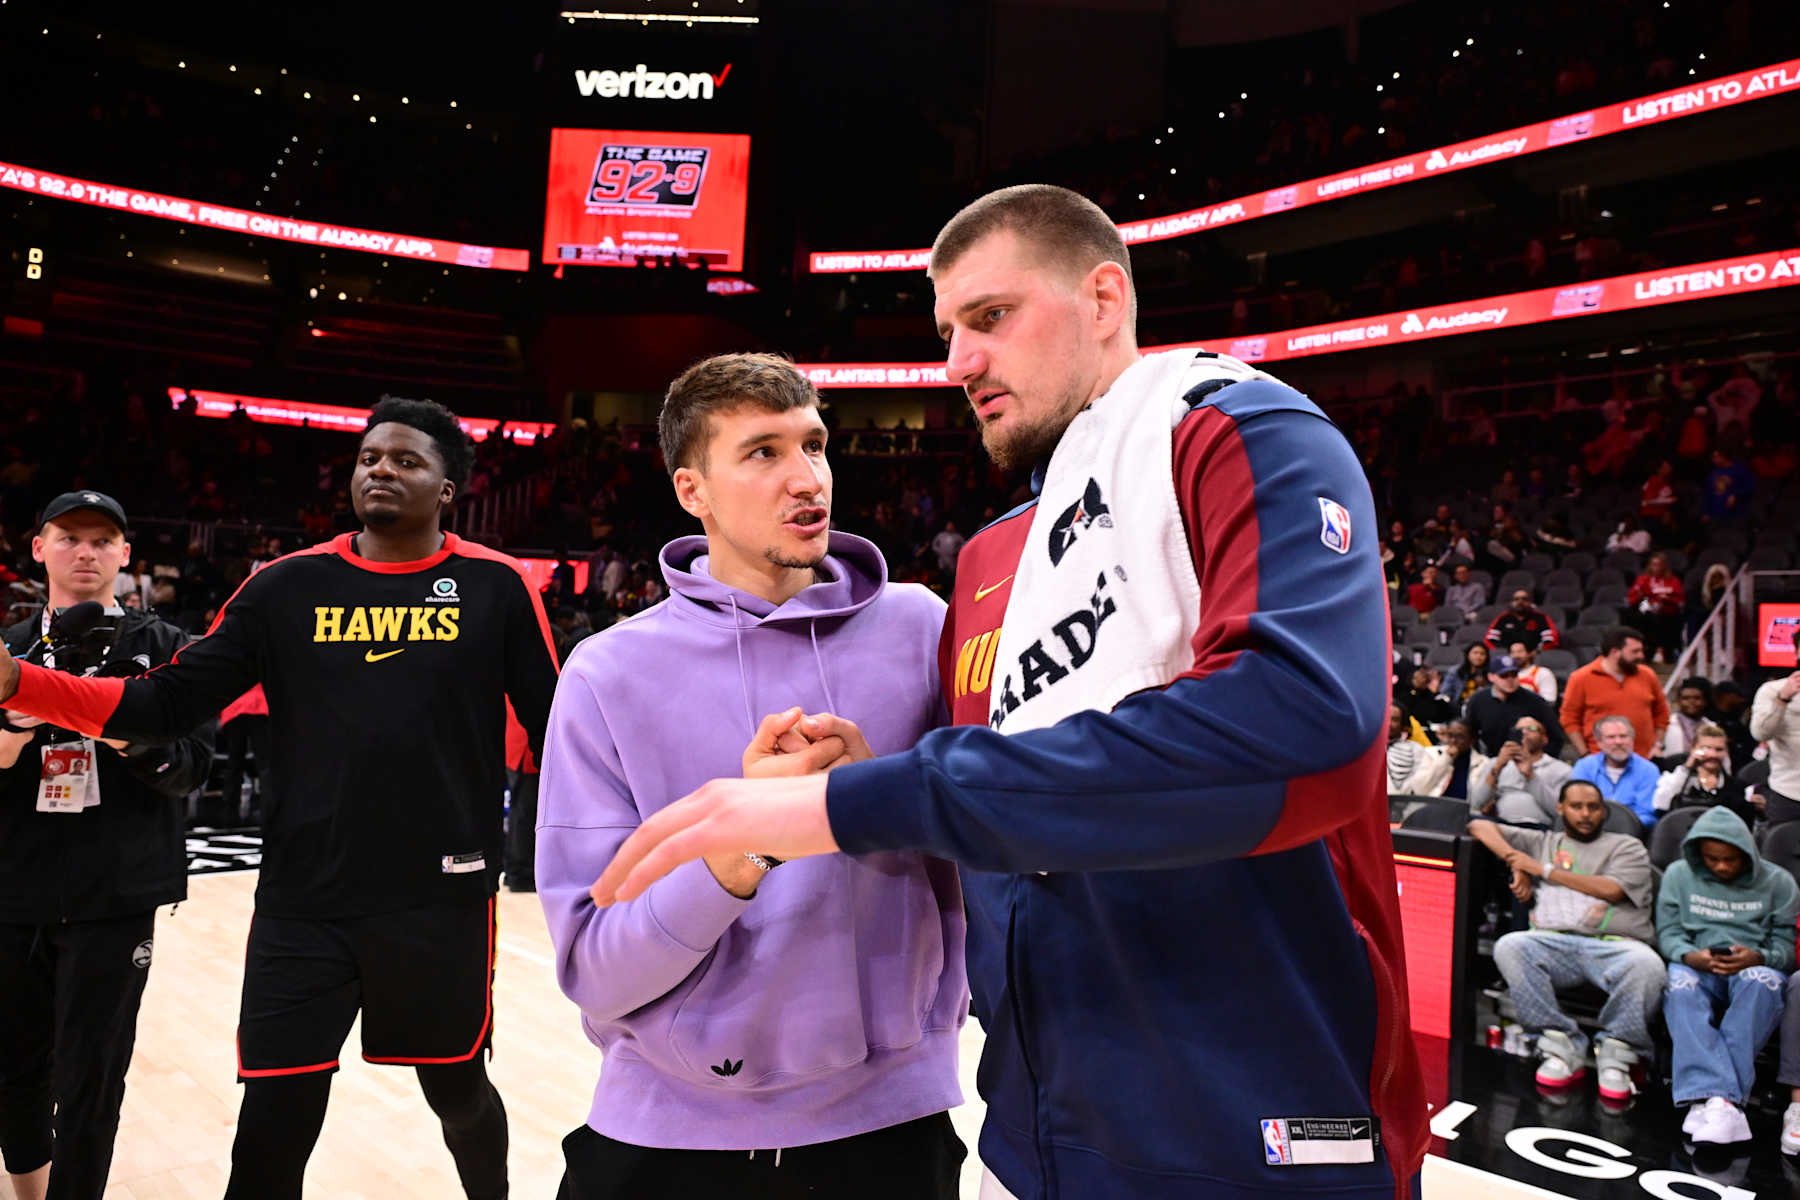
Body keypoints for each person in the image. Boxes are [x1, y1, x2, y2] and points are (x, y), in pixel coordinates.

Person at [589, 185, 1428, 1198]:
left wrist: (862, 802)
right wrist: (883, 792)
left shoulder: (1231, 429)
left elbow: (1306, 728)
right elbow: (1015, 813)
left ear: (1105, 299)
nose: (960, 363)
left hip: (1257, 1121)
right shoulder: (986, 563)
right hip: (1035, 1128)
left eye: (991, 318)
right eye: (949, 332)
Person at [0, 400, 561, 1200]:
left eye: (406, 461)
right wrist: (26, 683)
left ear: (449, 490)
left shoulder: (497, 585)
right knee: (271, 1122)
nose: (381, 470)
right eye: (370, 458)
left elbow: (559, 730)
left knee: (458, 1093)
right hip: (305, 900)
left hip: (439, 898)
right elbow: (164, 705)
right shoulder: (284, 587)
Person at [535, 354, 968, 1198]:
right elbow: (594, 970)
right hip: (662, 1142)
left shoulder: (924, 630)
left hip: (890, 1132)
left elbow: (996, 863)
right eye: (763, 452)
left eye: (815, 445)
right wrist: (738, 856)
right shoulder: (605, 674)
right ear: (692, 491)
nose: (807, 478)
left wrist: (883, 803)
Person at [0, 491, 216, 1200]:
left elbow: (190, 769)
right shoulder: (6, 648)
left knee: (92, 1077)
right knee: (14, 1065)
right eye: (68, 537)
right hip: (13, 884)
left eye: (102, 541)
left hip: (116, 891)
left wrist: (110, 719)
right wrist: (17, 724)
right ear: (39, 548)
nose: (85, 552)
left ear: (126, 555)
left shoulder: (172, 651)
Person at [1471, 780, 1660, 1100]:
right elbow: (1477, 824)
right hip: (1554, 943)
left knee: (1647, 966)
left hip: (1615, 946)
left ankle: (1618, 1051)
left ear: (1604, 811)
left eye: (1593, 807)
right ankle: (1561, 1043)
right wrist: (1516, 861)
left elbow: (1611, 890)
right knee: (1511, 946)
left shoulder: (1626, 846)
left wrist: (1541, 869)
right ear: (1560, 809)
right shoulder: (1544, 841)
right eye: (1576, 806)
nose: (1585, 814)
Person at [1657, 807, 1798, 1145]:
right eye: (1711, 859)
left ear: (1747, 854)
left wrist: (1759, 956)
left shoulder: (1779, 882)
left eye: (1730, 860)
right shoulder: (1678, 874)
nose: (1720, 866)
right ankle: (1725, 1104)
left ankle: (1709, 1100)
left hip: (1751, 965)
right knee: (1678, 986)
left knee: (1762, 983)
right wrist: (1690, 955)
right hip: (1696, 962)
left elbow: (1787, 949)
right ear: (1697, 853)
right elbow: (1669, 933)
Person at [1560, 626, 1669, 758]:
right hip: (1599, 759)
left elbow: (1662, 714)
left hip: (1645, 760)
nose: (1641, 656)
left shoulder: (1648, 674)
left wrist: (1657, 746)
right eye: (1635, 651)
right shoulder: (1581, 678)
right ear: (1615, 652)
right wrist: (1584, 754)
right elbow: (1569, 719)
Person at [1470, 716, 1572, 825]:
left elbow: (1559, 811)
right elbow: (1476, 804)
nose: (1524, 732)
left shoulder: (1561, 770)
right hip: (1500, 825)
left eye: (1532, 728)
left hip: (1539, 829)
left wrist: (1531, 776)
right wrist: (1497, 768)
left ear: (1544, 739)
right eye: (1518, 730)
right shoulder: (1497, 763)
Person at [1463, 653, 1565, 759]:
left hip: (1529, 763)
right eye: (1504, 676)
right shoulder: (1478, 700)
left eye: (1514, 675)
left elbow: (1556, 737)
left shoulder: (1535, 701)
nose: (1510, 680)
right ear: (1491, 677)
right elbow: (1469, 735)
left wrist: (1539, 763)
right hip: (1490, 761)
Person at [1571, 716, 1662, 830]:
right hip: (1590, 832)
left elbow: (1647, 814)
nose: (1618, 742)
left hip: (1633, 834)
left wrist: (1619, 827)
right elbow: (1579, 808)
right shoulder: (1584, 767)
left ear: (1632, 740)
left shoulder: (1648, 770)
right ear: (1599, 742)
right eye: (1611, 737)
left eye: (1623, 736)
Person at [1653, 724, 1752, 828]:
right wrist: (1686, 768)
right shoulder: (1677, 777)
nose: (1713, 755)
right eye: (1706, 748)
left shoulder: (1737, 787)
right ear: (1693, 748)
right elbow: (1660, 804)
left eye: (1719, 749)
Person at [1752, 669, 1800, 824]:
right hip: (1787, 793)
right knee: (1782, 846)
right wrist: (1782, 699)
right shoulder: (1772, 690)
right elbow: (1760, 734)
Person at [1625, 552, 1685, 663]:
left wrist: (1667, 599)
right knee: (1638, 617)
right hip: (1647, 611)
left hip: (1668, 613)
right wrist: (1640, 595)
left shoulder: (1673, 581)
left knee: (1663, 620)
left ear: (1664, 566)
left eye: (1658, 564)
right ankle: (1645, 650)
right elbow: (1631, 598)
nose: (1655, 568)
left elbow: (1680, 601)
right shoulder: (1643, 579)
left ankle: (1661, 650)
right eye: (1653, 564)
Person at [1657, 677, 1716, 765]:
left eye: (1697, 698)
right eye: (1686, 698)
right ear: (1678, 701)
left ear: (1705, 701)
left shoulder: (1712, 727)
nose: (1691, 702)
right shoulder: (1667, 724)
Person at [1485, 588, 1561, 652]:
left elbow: (1551, 640)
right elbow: (1489, 640)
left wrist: (1536, 653)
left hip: (1534, 658)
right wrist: (1502, 653)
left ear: (1530, 602)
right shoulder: (1502, 618)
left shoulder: (1541, 618)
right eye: (1516, 599)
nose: (1520, 602)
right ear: (1512, 602)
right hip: (1507, 657)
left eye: (1524, 599)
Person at [1439, 642, 1490, 707]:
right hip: (1457, 707)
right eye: (1475, 653)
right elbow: (1445, 692)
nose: (1478, 656)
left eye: (1482, 654)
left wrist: (1484, 685)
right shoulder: (1455, 671)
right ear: (1468, 655)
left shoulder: (1491, 674)